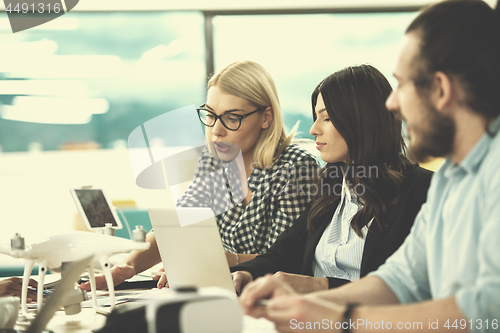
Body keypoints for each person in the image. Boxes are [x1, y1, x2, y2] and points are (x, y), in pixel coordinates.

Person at [239, 1, 500, 332]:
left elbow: (488, 310)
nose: (392, 103)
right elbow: (400, 279)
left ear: (440, 89)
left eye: (403, 85)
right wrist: (307, 306)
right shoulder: (452, 178)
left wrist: (338, 318)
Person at [80, 60, 319, 291]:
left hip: (274, 295)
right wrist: (125, 268)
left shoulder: (297, 167)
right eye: (210, 114)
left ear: (266, 117)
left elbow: (286, 257)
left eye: (232, 117)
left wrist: (207, 261)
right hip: (221, 289)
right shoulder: (214, 161)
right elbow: (176, 228)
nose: (216, 130)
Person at [232, 64, 432, 295]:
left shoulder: (422, 191)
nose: (313, 130)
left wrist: (321, 285)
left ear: (361, 120)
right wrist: (246, 272)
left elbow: (413, 289)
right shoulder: (332, 187)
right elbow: (283, 252)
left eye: (326, 118)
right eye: (316, 118)